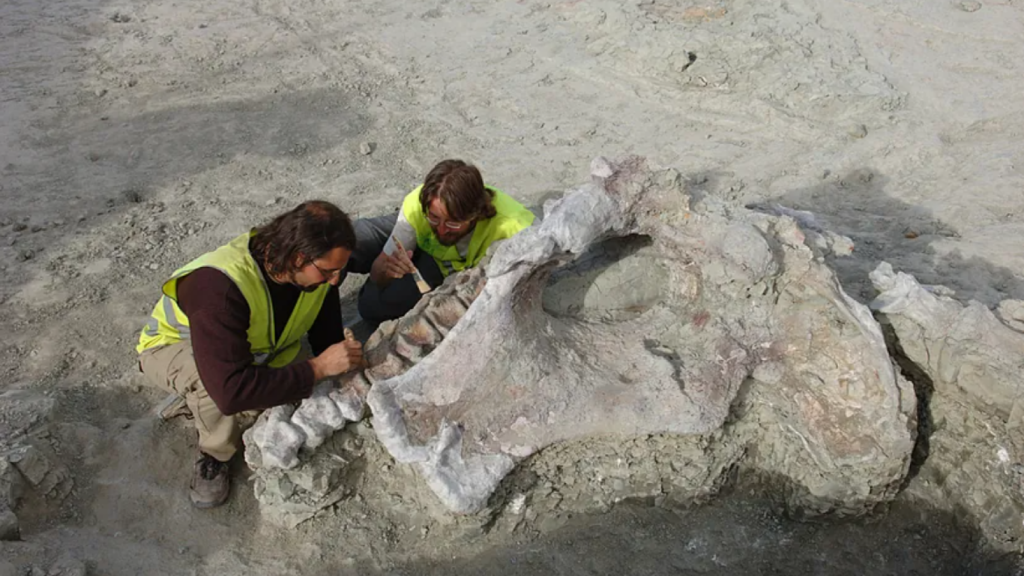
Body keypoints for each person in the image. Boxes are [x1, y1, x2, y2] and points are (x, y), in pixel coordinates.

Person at [135, 201, 364, 509]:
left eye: (340, 270)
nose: (336, 280)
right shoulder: (219, 287)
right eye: (328, 271)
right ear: (299, 257)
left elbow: (326, 335)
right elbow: (231, 392)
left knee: (291, 384)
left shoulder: (314, 273)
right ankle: (214, 455)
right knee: (216, 390)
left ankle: (219, 396)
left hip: (257, 348)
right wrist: (318, 368)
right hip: (173, 345)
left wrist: (341, 362)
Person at [354, 159, 535, 323]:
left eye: (453, 223)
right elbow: (380, 269)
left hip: (440, 264)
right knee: (350, 237)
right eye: (435, 218)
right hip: (416, 232)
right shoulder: (417, 207)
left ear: (475, 215)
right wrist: (385, 271)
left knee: (373, 309)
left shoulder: (515, 227)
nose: (441, 229)